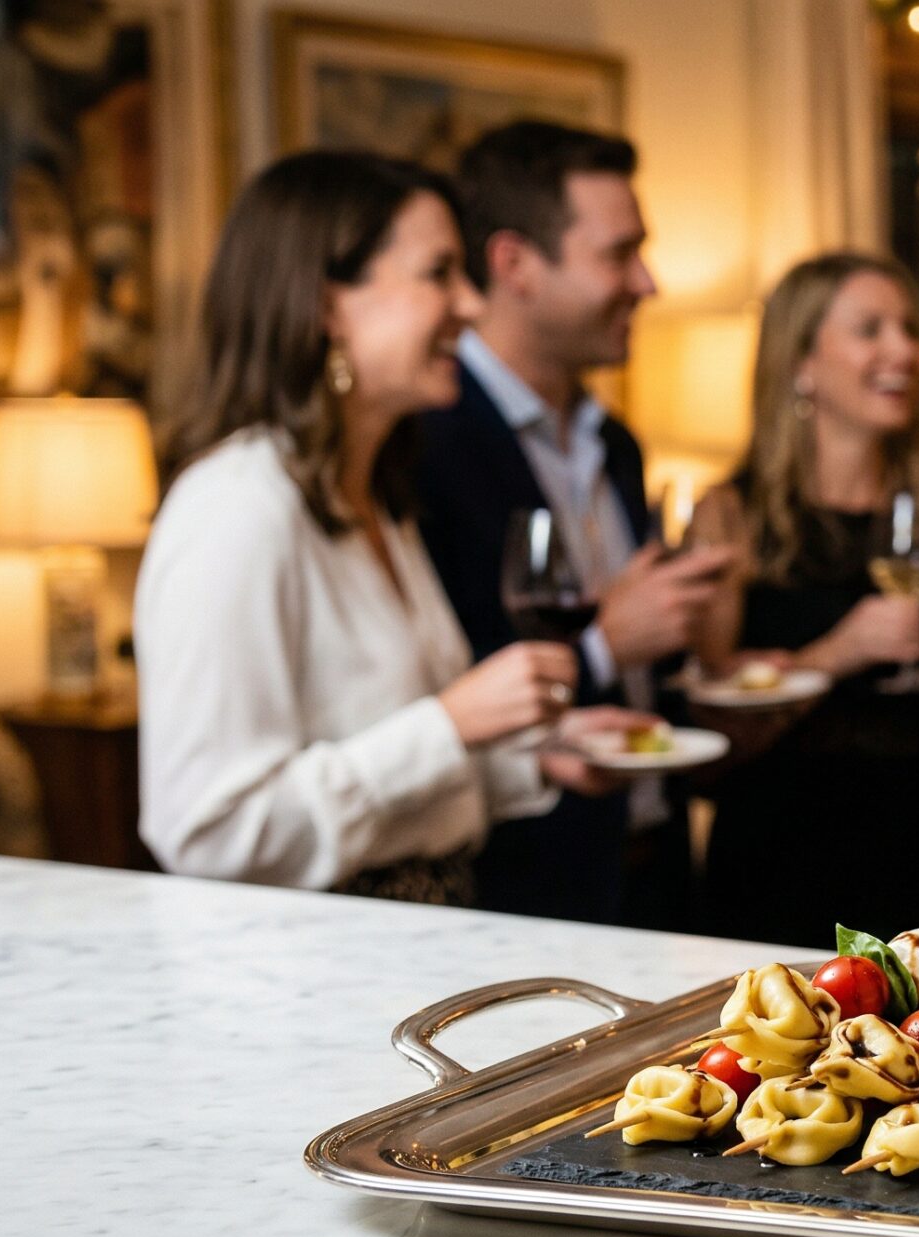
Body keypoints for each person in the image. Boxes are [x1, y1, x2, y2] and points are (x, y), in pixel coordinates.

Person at [138, 151, 637, 901]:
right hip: (302, 977)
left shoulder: (375, 498)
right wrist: (449, 722)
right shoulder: (235, 508)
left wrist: (533, 760)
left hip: (418, 942)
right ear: (325, 305)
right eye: (439, 273)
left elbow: (394, 782)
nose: (471, 304)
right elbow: (209, 832)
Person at [411, 121, 730, 928]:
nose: (648, 283)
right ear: (515, 264)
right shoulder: (426, 447)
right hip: (525, 893)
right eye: (618, 254)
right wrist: (604, 646)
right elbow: (431, 692)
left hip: (658, 874)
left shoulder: (615, 443)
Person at [687, 253, 919, 942]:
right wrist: (838, 652)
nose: (905, 349)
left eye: (908, 327)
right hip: (776, 862)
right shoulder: (728, 517)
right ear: (801, 362)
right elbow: (714, 735)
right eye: (870, 329)